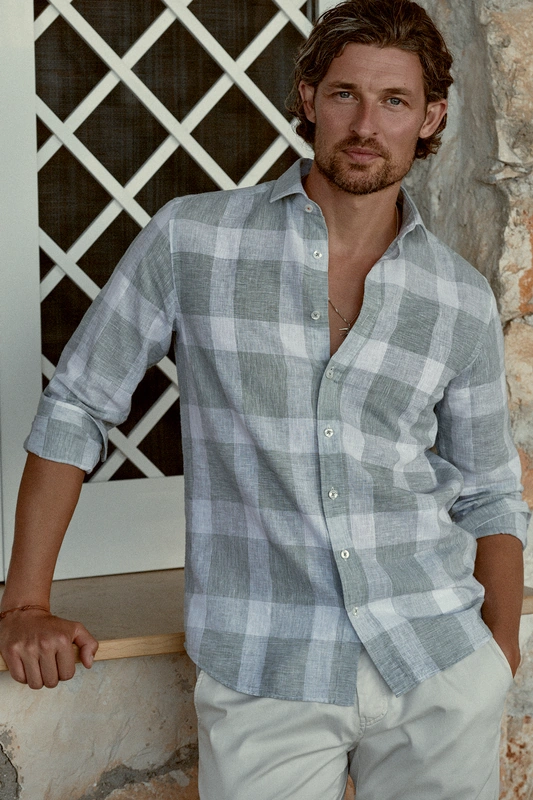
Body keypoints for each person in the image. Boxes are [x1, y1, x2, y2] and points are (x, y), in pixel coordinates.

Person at [0, 1, 529, 798]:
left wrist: (495, 657)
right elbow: (76, 406)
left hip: (436, 662)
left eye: (393, 100)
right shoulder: (193, 240)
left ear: (430, 118)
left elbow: (488, 491)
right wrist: (25, 605)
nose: (366, 124)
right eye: (345, 94)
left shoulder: (456, 296)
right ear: (308, 98)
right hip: (266, 668)